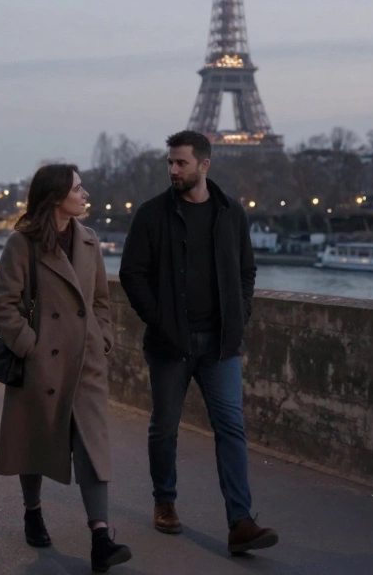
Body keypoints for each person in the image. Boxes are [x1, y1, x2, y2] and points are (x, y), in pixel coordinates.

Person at [119, 130, 279, 554]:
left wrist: (240, 317)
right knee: (165, 428)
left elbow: (247, 270)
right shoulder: (152, 214)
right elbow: (131, 274)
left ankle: (241, 522)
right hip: (170, 344)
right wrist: (162, 321)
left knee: (231, 429)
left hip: (221, 344)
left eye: (181, 163)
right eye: (169, 163)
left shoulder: (231, 213)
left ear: (204, 165)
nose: (173, 170)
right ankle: (165, 501)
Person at [0, 163, 132, 572]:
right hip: (42, 363)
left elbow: (101, 300)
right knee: (35, 441)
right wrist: (28, 345)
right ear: (56, 197)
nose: (85, 194)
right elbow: (2, 302)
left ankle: (101, 536)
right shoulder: (24, 243)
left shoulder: (88, 240)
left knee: (92, 446)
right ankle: (32, 510)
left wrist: (102, 335)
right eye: (78, 188)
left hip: (85, 361)